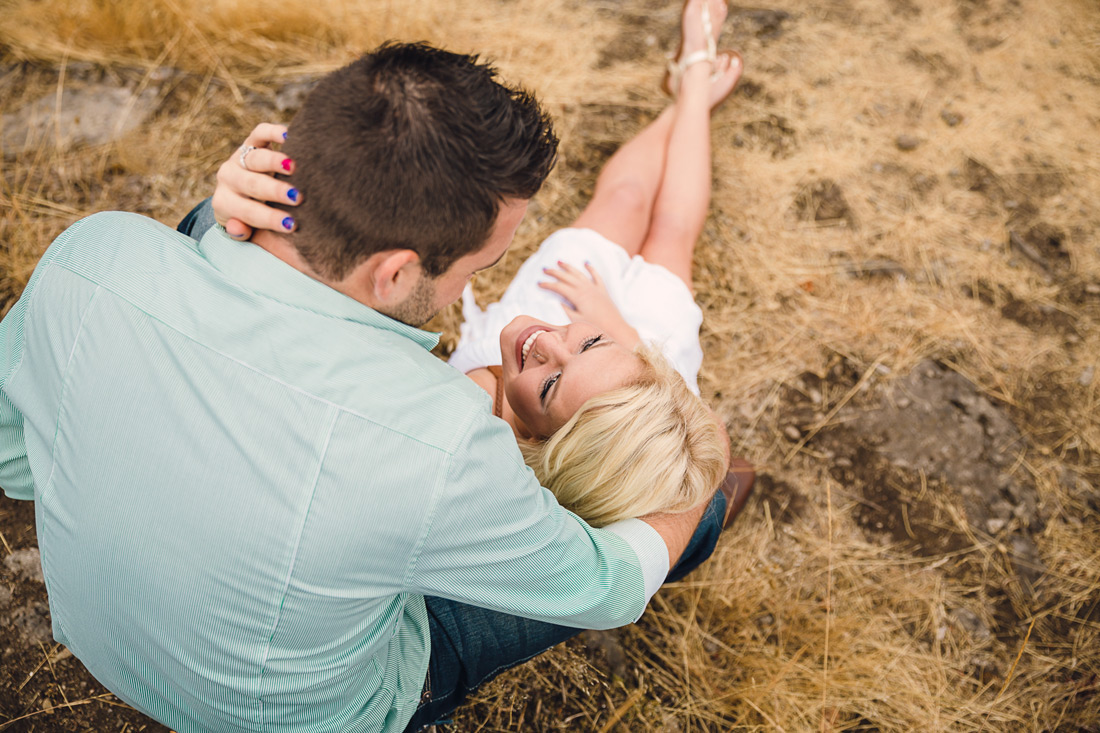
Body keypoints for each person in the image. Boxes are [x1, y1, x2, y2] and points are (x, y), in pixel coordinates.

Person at [0, 11, 744, 733]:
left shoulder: (91, 254)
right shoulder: (442, 442)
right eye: (481, 266)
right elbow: (610, 582)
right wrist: (701, 457)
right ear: (394, 274)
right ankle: (712, 514)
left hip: (94, 634)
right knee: (684, 512)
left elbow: (12, 458)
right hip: (302, 716)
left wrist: (206, 225)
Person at [207, 2, 750, 531]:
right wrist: (620, 340)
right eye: (564, 365)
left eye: (549, 382)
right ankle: (693, 89)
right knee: (664, 221)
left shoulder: (474, 422)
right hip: (644, 357)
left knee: (625, 200)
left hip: (583, 331)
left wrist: (590, 349)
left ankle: (689, 92)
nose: (546, 345)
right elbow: (686, 422)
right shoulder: (565, 394)